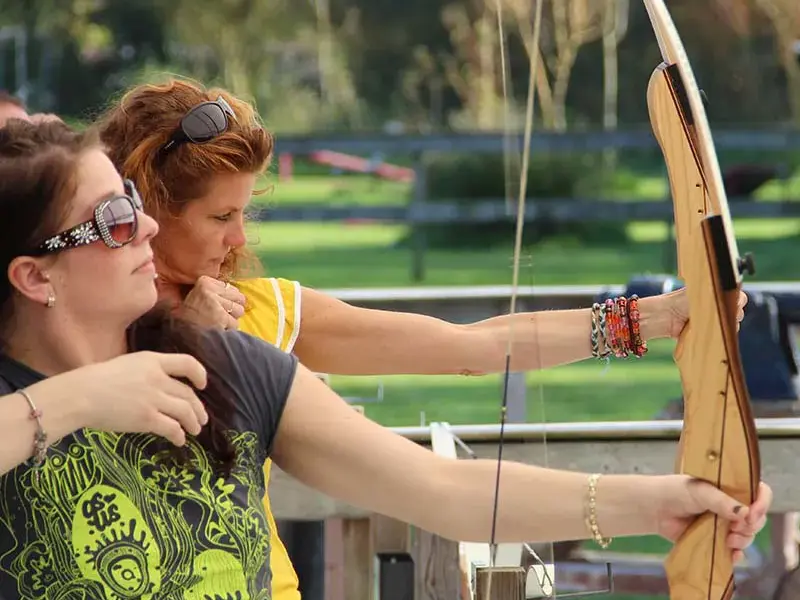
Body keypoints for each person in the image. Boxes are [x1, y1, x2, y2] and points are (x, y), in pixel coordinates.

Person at [0, 118, 773, 600]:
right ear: (34, 276)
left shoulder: (237, 355)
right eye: (112, 216)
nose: (138, 231)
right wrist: (79, 400)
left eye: (131, 205)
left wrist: (662, 498)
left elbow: (446, 473)